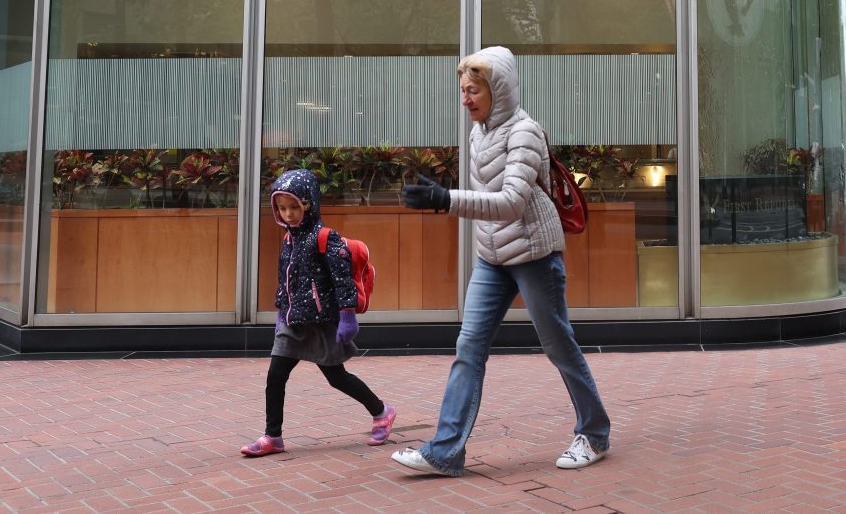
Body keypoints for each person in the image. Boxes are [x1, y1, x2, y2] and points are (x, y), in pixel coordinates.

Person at [391, 46, 611, 476]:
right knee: (468, 347)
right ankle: (445, 452)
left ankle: (595, 433)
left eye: (473, 90)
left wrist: (445, 199)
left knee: (558, 346)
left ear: (499, 90)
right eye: (463, 90)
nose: (465, 99)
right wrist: (445, 197)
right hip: (493, 258)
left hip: (534, 254)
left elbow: (511, 202)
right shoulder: (479, 131)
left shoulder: (524, 131)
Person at [240, 168, 397, 457]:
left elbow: (341, 280)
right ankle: (272, 436)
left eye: (293, 208)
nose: (287, 214)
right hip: (293, 321)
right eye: (282, 208)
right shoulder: (289, 241)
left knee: (336, 377)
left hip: (323, 322)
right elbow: (285, 280)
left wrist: (347, 316)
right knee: (276, 375)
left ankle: (382, 411)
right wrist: (279, 313)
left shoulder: (326, 237)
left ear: (309, 204)